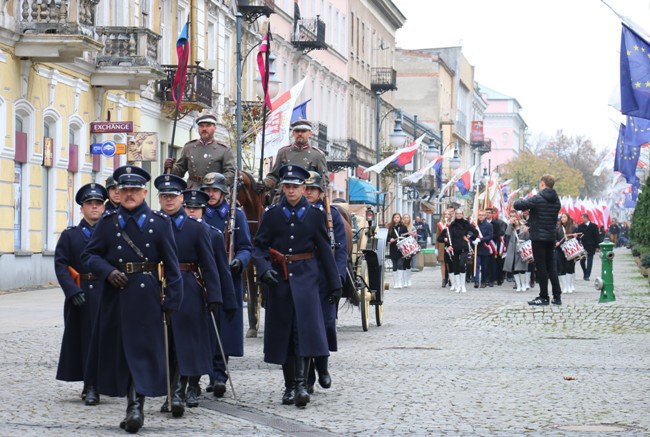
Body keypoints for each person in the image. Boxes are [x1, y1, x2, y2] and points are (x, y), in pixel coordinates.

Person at [82, 165, 183, 433]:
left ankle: (136, 407)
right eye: (124, 190)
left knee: (141, 353)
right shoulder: (107, 223)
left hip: (147, 296)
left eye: (134, 190)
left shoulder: (159, 224)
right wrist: (107, 271)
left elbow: (173, 267)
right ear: (118, 192)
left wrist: (172, 301)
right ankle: (131, 406)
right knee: (122, 354)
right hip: (115, 296)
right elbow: (89, 256)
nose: (129, 194)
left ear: (144, 191)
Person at [253, 164, 342, 408]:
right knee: (284, 333)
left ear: (304, 188)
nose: (291, 191)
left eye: (295, 187)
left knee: (304, 331)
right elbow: (259, 246)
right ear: (282, 188)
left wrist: (335, 283)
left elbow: (324, 249)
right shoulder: (272, 214)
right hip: (279, 280)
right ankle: (290, 385)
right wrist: (263, 270)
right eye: (287, 187)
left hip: (306, 278)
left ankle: (303, 384)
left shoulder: (314, 215)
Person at [154, 174, 223, 416]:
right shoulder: (153, 224)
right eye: (164, 196)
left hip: (188, 287)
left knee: (184, 343)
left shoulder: (196, 228)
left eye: (173, 196)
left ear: (181, 198)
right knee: (165, 342)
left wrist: (214, 295)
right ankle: (169, 391)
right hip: (158, 287)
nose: (168, 200)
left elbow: (209, 263)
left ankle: (179, 392)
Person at [54, 183, 107, 406]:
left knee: (107, 340)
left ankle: (108, 382)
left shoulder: (112, 234)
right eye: (89, 204)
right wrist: (71, 290)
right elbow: (61, 265)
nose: (94, 207)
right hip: (81, 294)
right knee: (85, 341)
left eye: (98, 204)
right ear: (82, 208)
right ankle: (90, 385)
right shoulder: (70, 236)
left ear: (104, 207)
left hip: (106, 293)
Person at [200, 172, 252, 397]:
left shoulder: (236, 216)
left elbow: (246, 247)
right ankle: (206, 374)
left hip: (227, 277)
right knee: (205, 327)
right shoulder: (198, 213)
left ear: (223, 193)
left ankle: (219, 374)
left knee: (223, 327)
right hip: (203, 278)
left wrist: (239, 261)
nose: (211, 194)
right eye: (208, 190)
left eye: (215, 190)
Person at [303, 171, 348, 394]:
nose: (309, 192)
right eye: (306, 188)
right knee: (306, 327)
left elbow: (340, 250)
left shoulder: (332, 215)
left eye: (313, 189)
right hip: (304, 276)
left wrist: (338, 278)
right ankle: (308, 375)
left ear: (321, 192)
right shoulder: (298, 213)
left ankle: (322, 365)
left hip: (326, 277)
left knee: (326, 324)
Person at [513, 174, 562, 306]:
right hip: (550, 236)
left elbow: (517, 205)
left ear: (542, 183)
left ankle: (544, 297)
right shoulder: (557, 200)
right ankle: (557, 297)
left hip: (538, 237)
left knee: (541, 267)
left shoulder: (538, 198)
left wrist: (522, 199)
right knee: (551, 266)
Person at [165, 114, 236, 188]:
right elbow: (180, 170)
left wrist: (218, 184)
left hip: (213, 190)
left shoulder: (224, 149)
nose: (204, 129)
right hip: (192, 190)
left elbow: (230, 173)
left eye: (208, 125)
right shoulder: (189, 147)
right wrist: (171, 167)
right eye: (201, 126)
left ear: (215, 128)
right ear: (198, 128)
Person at [257, 120, 328, 192]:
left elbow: (324, 181)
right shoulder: (283, 152)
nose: (300, 134)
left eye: (303, 131)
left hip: (307, 195)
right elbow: (274, 176)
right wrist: (265, 183)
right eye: (297, 131)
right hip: (285, 194)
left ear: (310, 133)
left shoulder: (317, 155)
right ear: (293, 133)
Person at [437, 208, 477, 293]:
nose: (459, 215)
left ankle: (463, 285)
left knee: (462, 264)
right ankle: (458, 286)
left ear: (462, 214)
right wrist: (448, 246)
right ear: (455, 215)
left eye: (460, 214)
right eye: (457, 214)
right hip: (454, 249)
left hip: (464, 247)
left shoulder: (466, 223)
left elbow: (475, 232)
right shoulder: (452, 225)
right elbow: (449, 238)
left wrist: (469, 237)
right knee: (455, 267)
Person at [502, 210, 530, 292]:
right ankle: (518, 285)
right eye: (513, 220)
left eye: (516, 220)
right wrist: (510, 223)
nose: (515, 221)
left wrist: (527, 232)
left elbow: (528, 238)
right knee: (514, 268)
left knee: (522, 269)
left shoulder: (523, 227)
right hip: (512, 250)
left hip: (521, 250)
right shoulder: (511, 228)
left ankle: (524, 284)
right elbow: (507, 233)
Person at [556, 212, 579, 293]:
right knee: (562, 268)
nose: (562, 218)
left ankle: (569, 285)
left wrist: (575, 237)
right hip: (560, 250)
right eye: (562, 217)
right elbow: (554, 238)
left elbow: (578, 240)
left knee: (569, 267)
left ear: (568, 218)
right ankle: (565, 286)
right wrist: (556, 242)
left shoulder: (573, 228)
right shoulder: (557, 228)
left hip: (570, 251)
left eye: (564, 217)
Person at [473, 209, 494, 289]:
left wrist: (480, 240)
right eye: (479, 215)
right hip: (477, 247)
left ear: (485, 216)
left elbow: (490, 236)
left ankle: (483, 281)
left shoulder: (489, 225)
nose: (480, 216)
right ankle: (476, 281)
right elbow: (471, 233)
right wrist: (473, 240)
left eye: (482, 215)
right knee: (477, 265)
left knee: (484, 266)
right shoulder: (475, 224)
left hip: (485, 247)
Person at [435, 206, 455, 288]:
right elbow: (437, 236)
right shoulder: (440, 224)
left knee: (449, 262)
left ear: (450, 215)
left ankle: (450, 278)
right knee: (442, 262)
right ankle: (443, 279)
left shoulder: (453, 224)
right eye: (445, 214)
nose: (447, 215)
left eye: (448, 214)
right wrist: (436, 248)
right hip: (441, 245)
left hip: (451, 245)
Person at [387, 213, 408, 289]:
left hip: (401, 249)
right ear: (393, 218)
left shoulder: (403, 227)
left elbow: (407, 237)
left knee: (400, 264)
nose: (396, 218)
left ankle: (399, 282)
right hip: (393, 248)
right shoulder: (390, 227)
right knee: (394, 266)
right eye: (395, 217)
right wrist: (390, 239)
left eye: (398, 217)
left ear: (400, 218)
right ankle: (395, 282)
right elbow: (387, 237)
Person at [577, 213, 600, 281]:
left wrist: (597, 246)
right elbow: (578, 236)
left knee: (590, 261)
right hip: (583, 246)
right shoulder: (580, 226)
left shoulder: (593, 226)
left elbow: (596, 236)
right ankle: (585, 272)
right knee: (582, 261)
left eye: (582, 218)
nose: (581, 219)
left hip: (591, 246)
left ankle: (587, 275)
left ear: (586, 218)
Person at [489, 207, 507, 286]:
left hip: (498, 244)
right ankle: (493, 278)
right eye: (491, 212)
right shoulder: (489, 222)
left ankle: (500, 278)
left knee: (499, 262)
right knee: (491, 263)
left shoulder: (501, 222)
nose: (493, 214)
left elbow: (502, 232)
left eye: (494, 212)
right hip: (490, 244)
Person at [401, 213, 418, 284]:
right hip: (402, 247)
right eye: (404, 217)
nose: (406, 219)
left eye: (407, 217)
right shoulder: (401, 227)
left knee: (408, 263)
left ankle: (408, 279)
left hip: (409, 248)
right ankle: (404, 280)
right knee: (403, 263)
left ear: (409, 219)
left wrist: (413, 235)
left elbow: (415, 237)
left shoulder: (412, 227)